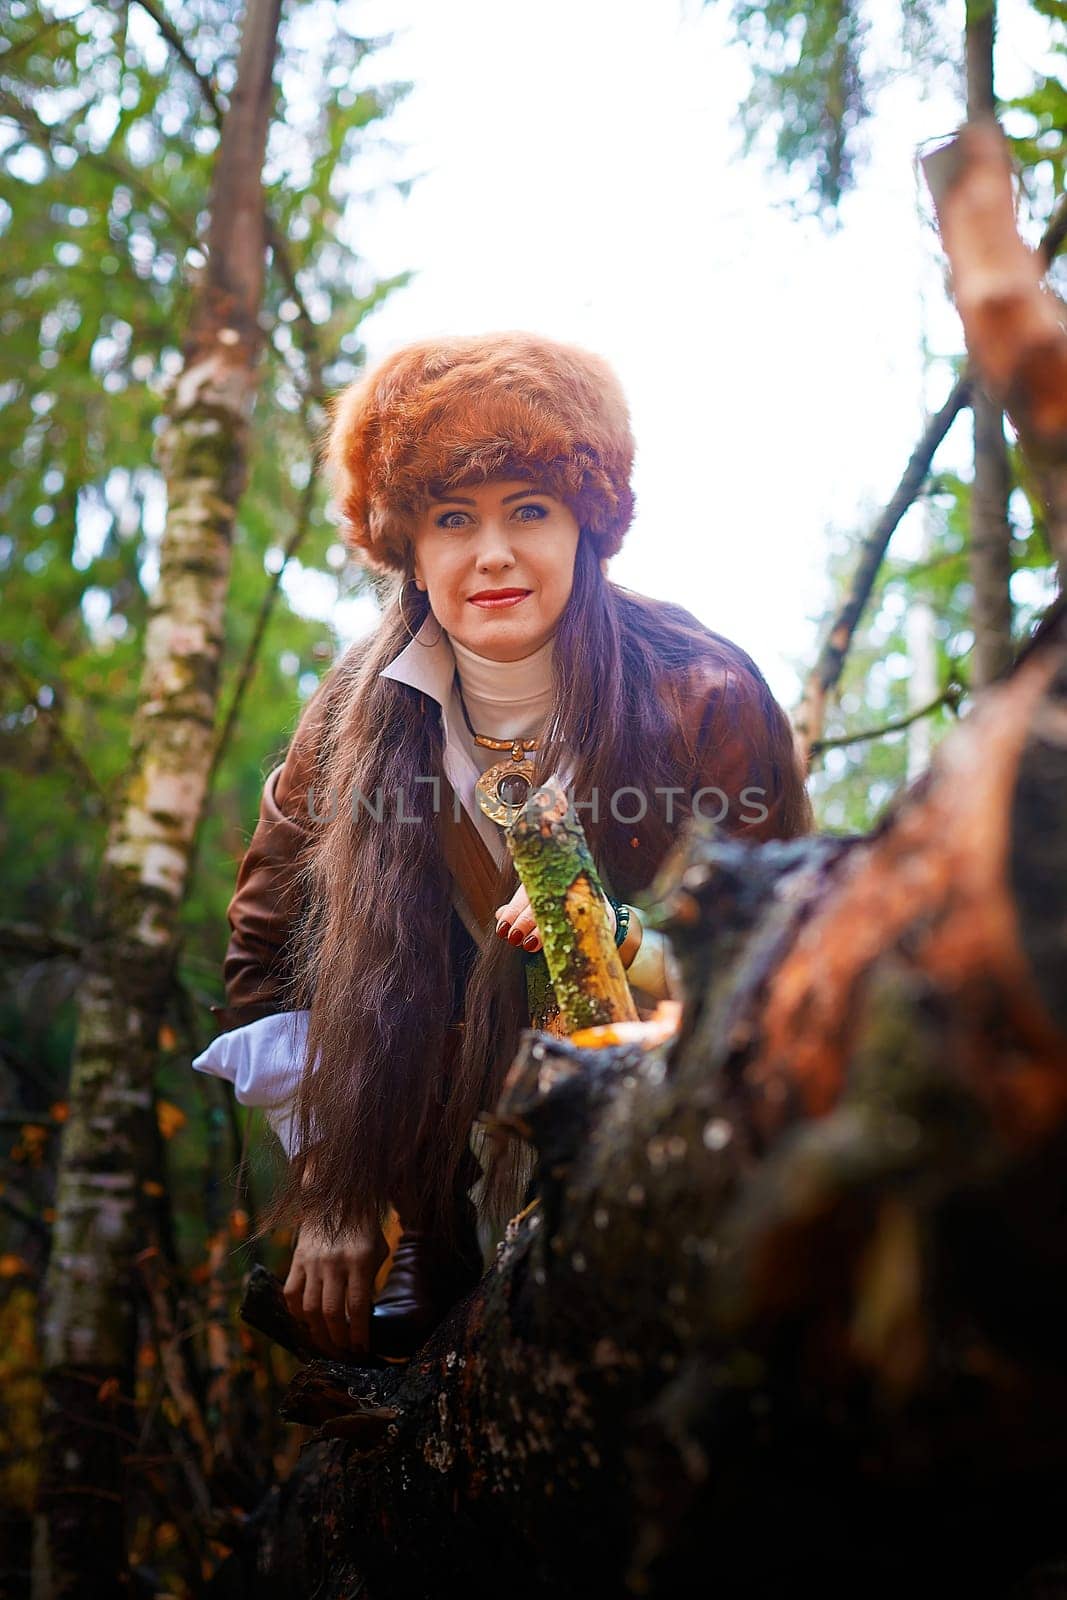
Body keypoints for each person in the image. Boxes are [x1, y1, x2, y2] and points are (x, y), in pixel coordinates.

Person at [193, 331, 811, 1361]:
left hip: (668, 1117)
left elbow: (779, 958)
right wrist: (332, 1189)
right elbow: (263, 957)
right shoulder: (351, 712)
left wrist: (621, 944)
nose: (491, 554)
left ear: (585, 527)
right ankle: (433, 1237)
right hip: (433, 1144)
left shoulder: (704, 692)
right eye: (451, 518)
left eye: (528, 510)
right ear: (407, 545)